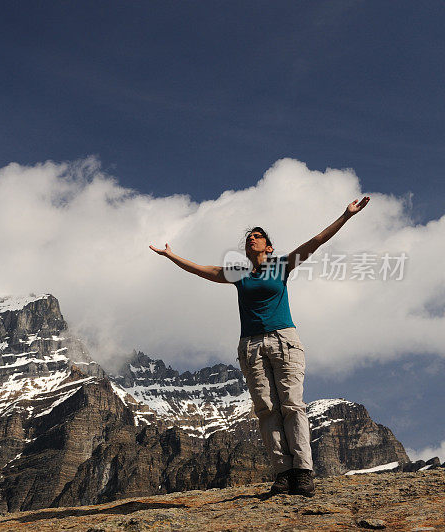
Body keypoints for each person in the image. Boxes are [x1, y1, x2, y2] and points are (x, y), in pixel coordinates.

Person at [149, 197, 370, 497]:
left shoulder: (282, 265)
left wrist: (346, 215)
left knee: (292, 404)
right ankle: (283, 473)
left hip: (284, 341)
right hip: (251, 346)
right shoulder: (240, 275)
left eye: (258, 236)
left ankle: (303, 472)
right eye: (248, 238)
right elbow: (203, 270)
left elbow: (316, 241)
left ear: (268, 246)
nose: (251, 240)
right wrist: (171, 256)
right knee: (267, 409)